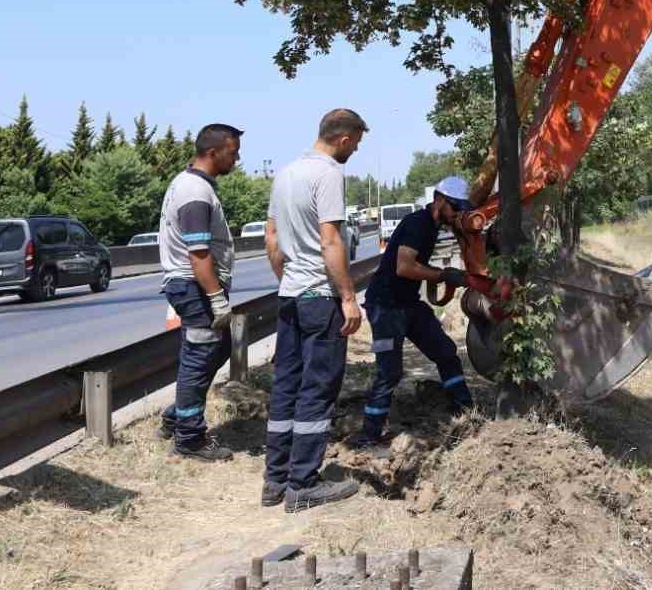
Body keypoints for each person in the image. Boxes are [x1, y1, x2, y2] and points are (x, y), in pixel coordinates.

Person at [261, 108, 367, 512]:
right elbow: (330, 241)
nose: (355, 150)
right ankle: (303, 483)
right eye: (356, 144)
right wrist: (347, 297)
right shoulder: (328, 174)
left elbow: (272, 237)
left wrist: (286, 279)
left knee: (286, 384)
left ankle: (275, 479)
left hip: (289, 295)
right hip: (319, 297)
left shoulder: (285, 173)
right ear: (343, 138)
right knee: (317, 387)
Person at [350, 175, 475, 448]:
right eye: (455, 208)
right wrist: (442, 274)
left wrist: (439, 277)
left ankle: (467, 413)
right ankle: (369, 436)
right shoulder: (417, 224)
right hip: (385, 307)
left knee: (446, 353)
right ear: (440, 200)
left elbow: (418, 269)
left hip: (408, 304)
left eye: (461, 210)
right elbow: (403, 267)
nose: (457, 215)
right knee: (389, 372)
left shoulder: (432, 227)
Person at [155, 123, 243, 460]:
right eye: (232, 153)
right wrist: (216, 298)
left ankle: (177, 415)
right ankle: (189, 439)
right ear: (213, 152)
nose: (236, 159)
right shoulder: (194, 192)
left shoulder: (195, 185)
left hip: (195, 286)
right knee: (199, 357)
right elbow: (198, 253)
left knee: (214, 350)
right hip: (194, 287)